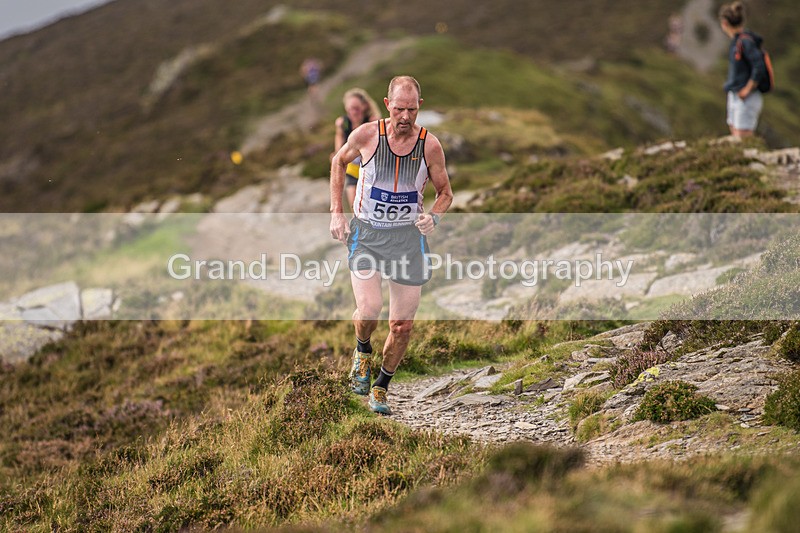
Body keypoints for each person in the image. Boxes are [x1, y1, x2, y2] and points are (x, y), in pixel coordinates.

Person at [329, 76, 453, 415]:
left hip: (408, 240)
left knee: (402, 326)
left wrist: (434, 218)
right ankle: (362, 350)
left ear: (419, 108)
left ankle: (380, 388)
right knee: (368, 310)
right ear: (387, 105)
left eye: (411, 110)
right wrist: (337, 213)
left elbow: (445, 193)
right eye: (399, 108)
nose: (405, 116)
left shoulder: (430, 146)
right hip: (368, 234)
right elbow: (338, 162)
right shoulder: (366, 135)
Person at [719, 2, 767, 138]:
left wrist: (748, 88)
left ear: (724, 23)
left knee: (743, 135)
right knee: (735, 132)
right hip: (736, 94)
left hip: (747, 96)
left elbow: (759, 65)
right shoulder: (738, 41)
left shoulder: (745, 42)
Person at [334, 88, 382, 210]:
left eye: (356, 108)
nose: (353, 112)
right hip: (352, 169)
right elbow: (339, 143)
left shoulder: (373, 122)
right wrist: (336, 155)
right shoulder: (342, 123)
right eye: (350, 109)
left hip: (371, 170)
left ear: (364, 106)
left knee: (371, 207)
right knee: (354, 206)